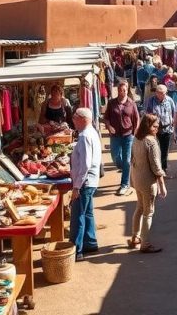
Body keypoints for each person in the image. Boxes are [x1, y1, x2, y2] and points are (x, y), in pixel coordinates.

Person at [128, 113, 168, 254]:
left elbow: (132, 159)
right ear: (148, 126)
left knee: (139, 207)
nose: (157, 129)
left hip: (136, 178)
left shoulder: (136, 139)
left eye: (158, 126)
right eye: (155, 126)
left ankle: (135, 237)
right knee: (148, 212)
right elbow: (156, 166)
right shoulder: (151, 141)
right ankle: (145, 243)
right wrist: (162, 185)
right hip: (147, 182)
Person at [70, 108, 103, 261]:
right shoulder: (92, 132)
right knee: (87, 212)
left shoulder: (84, 136)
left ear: (83, 119)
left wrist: (76, 186)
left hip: (84, 182)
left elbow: (85, 164)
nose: (73, 120)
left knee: (78, 215)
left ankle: (76, 250)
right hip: (91, 181)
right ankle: (90, 242)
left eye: (75, 117)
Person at [103, 80, 139, 196]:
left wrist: (135, 132)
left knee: (127, 160)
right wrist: (109, 126)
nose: (122, 92)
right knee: (115, 157)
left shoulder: (131, 103)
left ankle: (124, 184)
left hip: (128, 135)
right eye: (120, 90)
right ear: (117, 90)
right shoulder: (112, 103)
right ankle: (124, 168)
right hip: (115, 136)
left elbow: (136, 119)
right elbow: (106, 117)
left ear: (127, 90)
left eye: (124, 90)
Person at [144, 84, 176, 172]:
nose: (162, 94)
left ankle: (163, 169)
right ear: (156, 93)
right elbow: (147, 114)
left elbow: (174, 113)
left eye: (164, 93)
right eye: (160, 93)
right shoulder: (151, 101)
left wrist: (173, 124)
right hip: (155, 130)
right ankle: (156, 168)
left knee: (165, 151)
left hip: (167, 129)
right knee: (156, 150)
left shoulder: (170, 100)